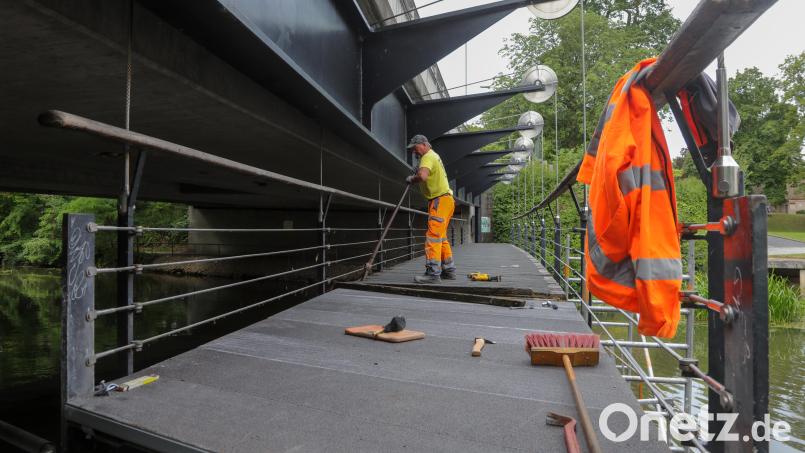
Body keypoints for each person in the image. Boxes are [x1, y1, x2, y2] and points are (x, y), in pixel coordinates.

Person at [405, 134, 456, 283]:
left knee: (433, 237)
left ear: (423, 144)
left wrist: (412, 179)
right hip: (447, 201)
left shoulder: (427, 156)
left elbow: (422, 176)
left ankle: (433, 274)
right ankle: (449, 270)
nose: (414, 152)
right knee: (442, 238)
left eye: (415, 148)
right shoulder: (434, 156)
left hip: (439, 201)